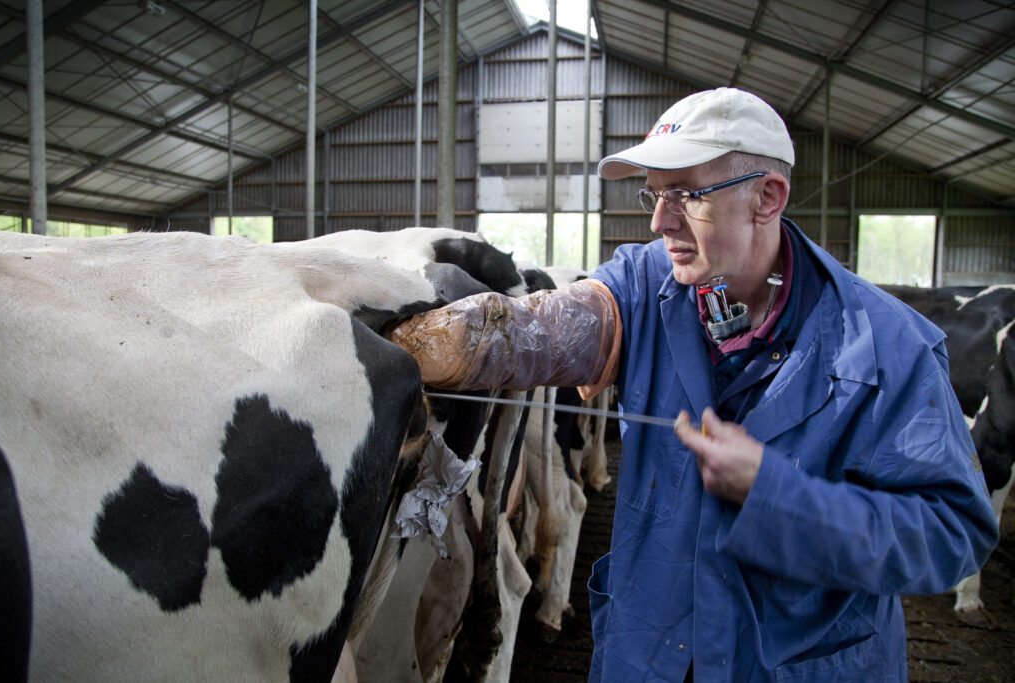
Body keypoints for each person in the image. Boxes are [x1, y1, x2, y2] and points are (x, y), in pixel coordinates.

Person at [390, 87, 997, 681]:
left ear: (767, 196)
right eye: (654, 194)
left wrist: (776, 494)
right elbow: (534, 332)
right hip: (649, 654)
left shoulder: (890, 346)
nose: (659, 220)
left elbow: (952, 536)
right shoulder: (647, 286)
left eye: (685, 195)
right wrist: (403, 342)